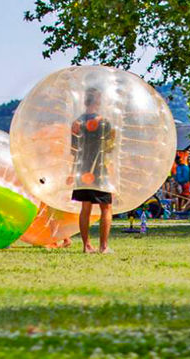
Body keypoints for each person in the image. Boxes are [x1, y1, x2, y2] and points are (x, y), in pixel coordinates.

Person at [70, 87, 118, 254]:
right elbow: (109, 148)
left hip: (82, 168)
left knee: (86, 207)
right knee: (106, 207)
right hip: (99, 169)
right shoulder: (104, 123)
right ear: (98, 101)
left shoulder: (76, 123)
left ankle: (86, 245)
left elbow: (73, 149)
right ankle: (103, 247)